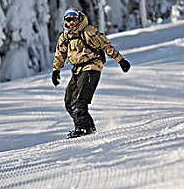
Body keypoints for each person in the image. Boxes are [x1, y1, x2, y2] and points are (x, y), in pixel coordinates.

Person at [52, 8, 131, 138]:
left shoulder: (88, 31)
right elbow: (60, 54)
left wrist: (120, 60)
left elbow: (105, 45)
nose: (71, 22)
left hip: (92, 67)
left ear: (78, 19)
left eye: (73, 19)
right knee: (69, 102)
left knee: (79, 100)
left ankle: (82, 129)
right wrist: (56, 70)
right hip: (77, 70)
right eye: (68, 20)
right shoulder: (65, 36)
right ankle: (89, 126)